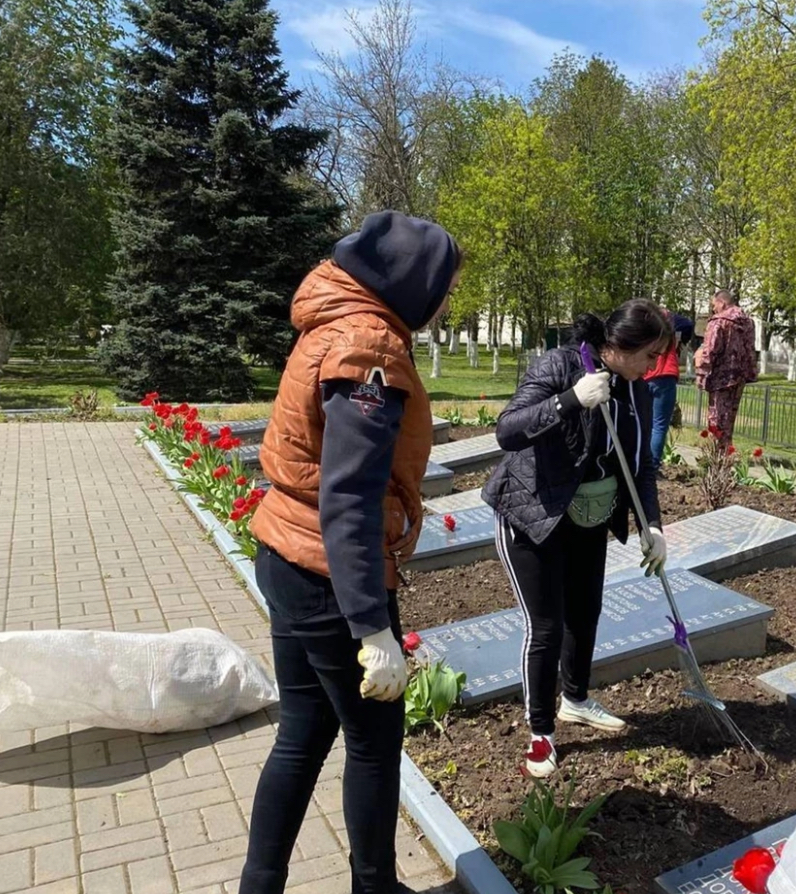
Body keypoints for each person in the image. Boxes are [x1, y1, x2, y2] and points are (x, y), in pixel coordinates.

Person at [239, 211, 462, 894]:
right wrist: (371, 629)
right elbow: (348, 496)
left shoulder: (335, 323)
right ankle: (376, 887)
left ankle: (261, 883)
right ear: (410, 281)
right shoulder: (369, 348)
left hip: (286, 549)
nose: (449, 299)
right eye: (445, 284)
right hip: (326, 572)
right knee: (372, 743)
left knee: (303, 733)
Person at [482, 300, 674, 778]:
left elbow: (641, 466)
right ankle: (541, 732)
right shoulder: (562, 365)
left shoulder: (638, 391)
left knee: (586, 612)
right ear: (620, 346)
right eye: (650, 355)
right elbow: (507, 430)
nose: (655, 367)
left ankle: (576, 700)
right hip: (533, 514)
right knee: (545, 626)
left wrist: (653, 525)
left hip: (588, 517)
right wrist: (570, 399)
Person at [694, 289, 758, 441]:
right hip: (739, 377)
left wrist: (700, 374)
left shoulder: (718, 322)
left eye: (714, 305)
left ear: (722, 303)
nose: (713, 309)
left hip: (720, 379)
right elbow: (750, 349)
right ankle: (725, 453)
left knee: (716, 420)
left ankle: (715, 457)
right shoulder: (748, 322)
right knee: (729, 420)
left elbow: (709, 350)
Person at [643, 308, 695, 467]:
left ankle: (640, 463)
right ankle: (652, 466)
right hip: (666, 375)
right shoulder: (670, 322)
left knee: (643, 422)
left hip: (644, 374)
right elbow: (688, 324)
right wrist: (682, 341)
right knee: (659, 425)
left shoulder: (643, 324)